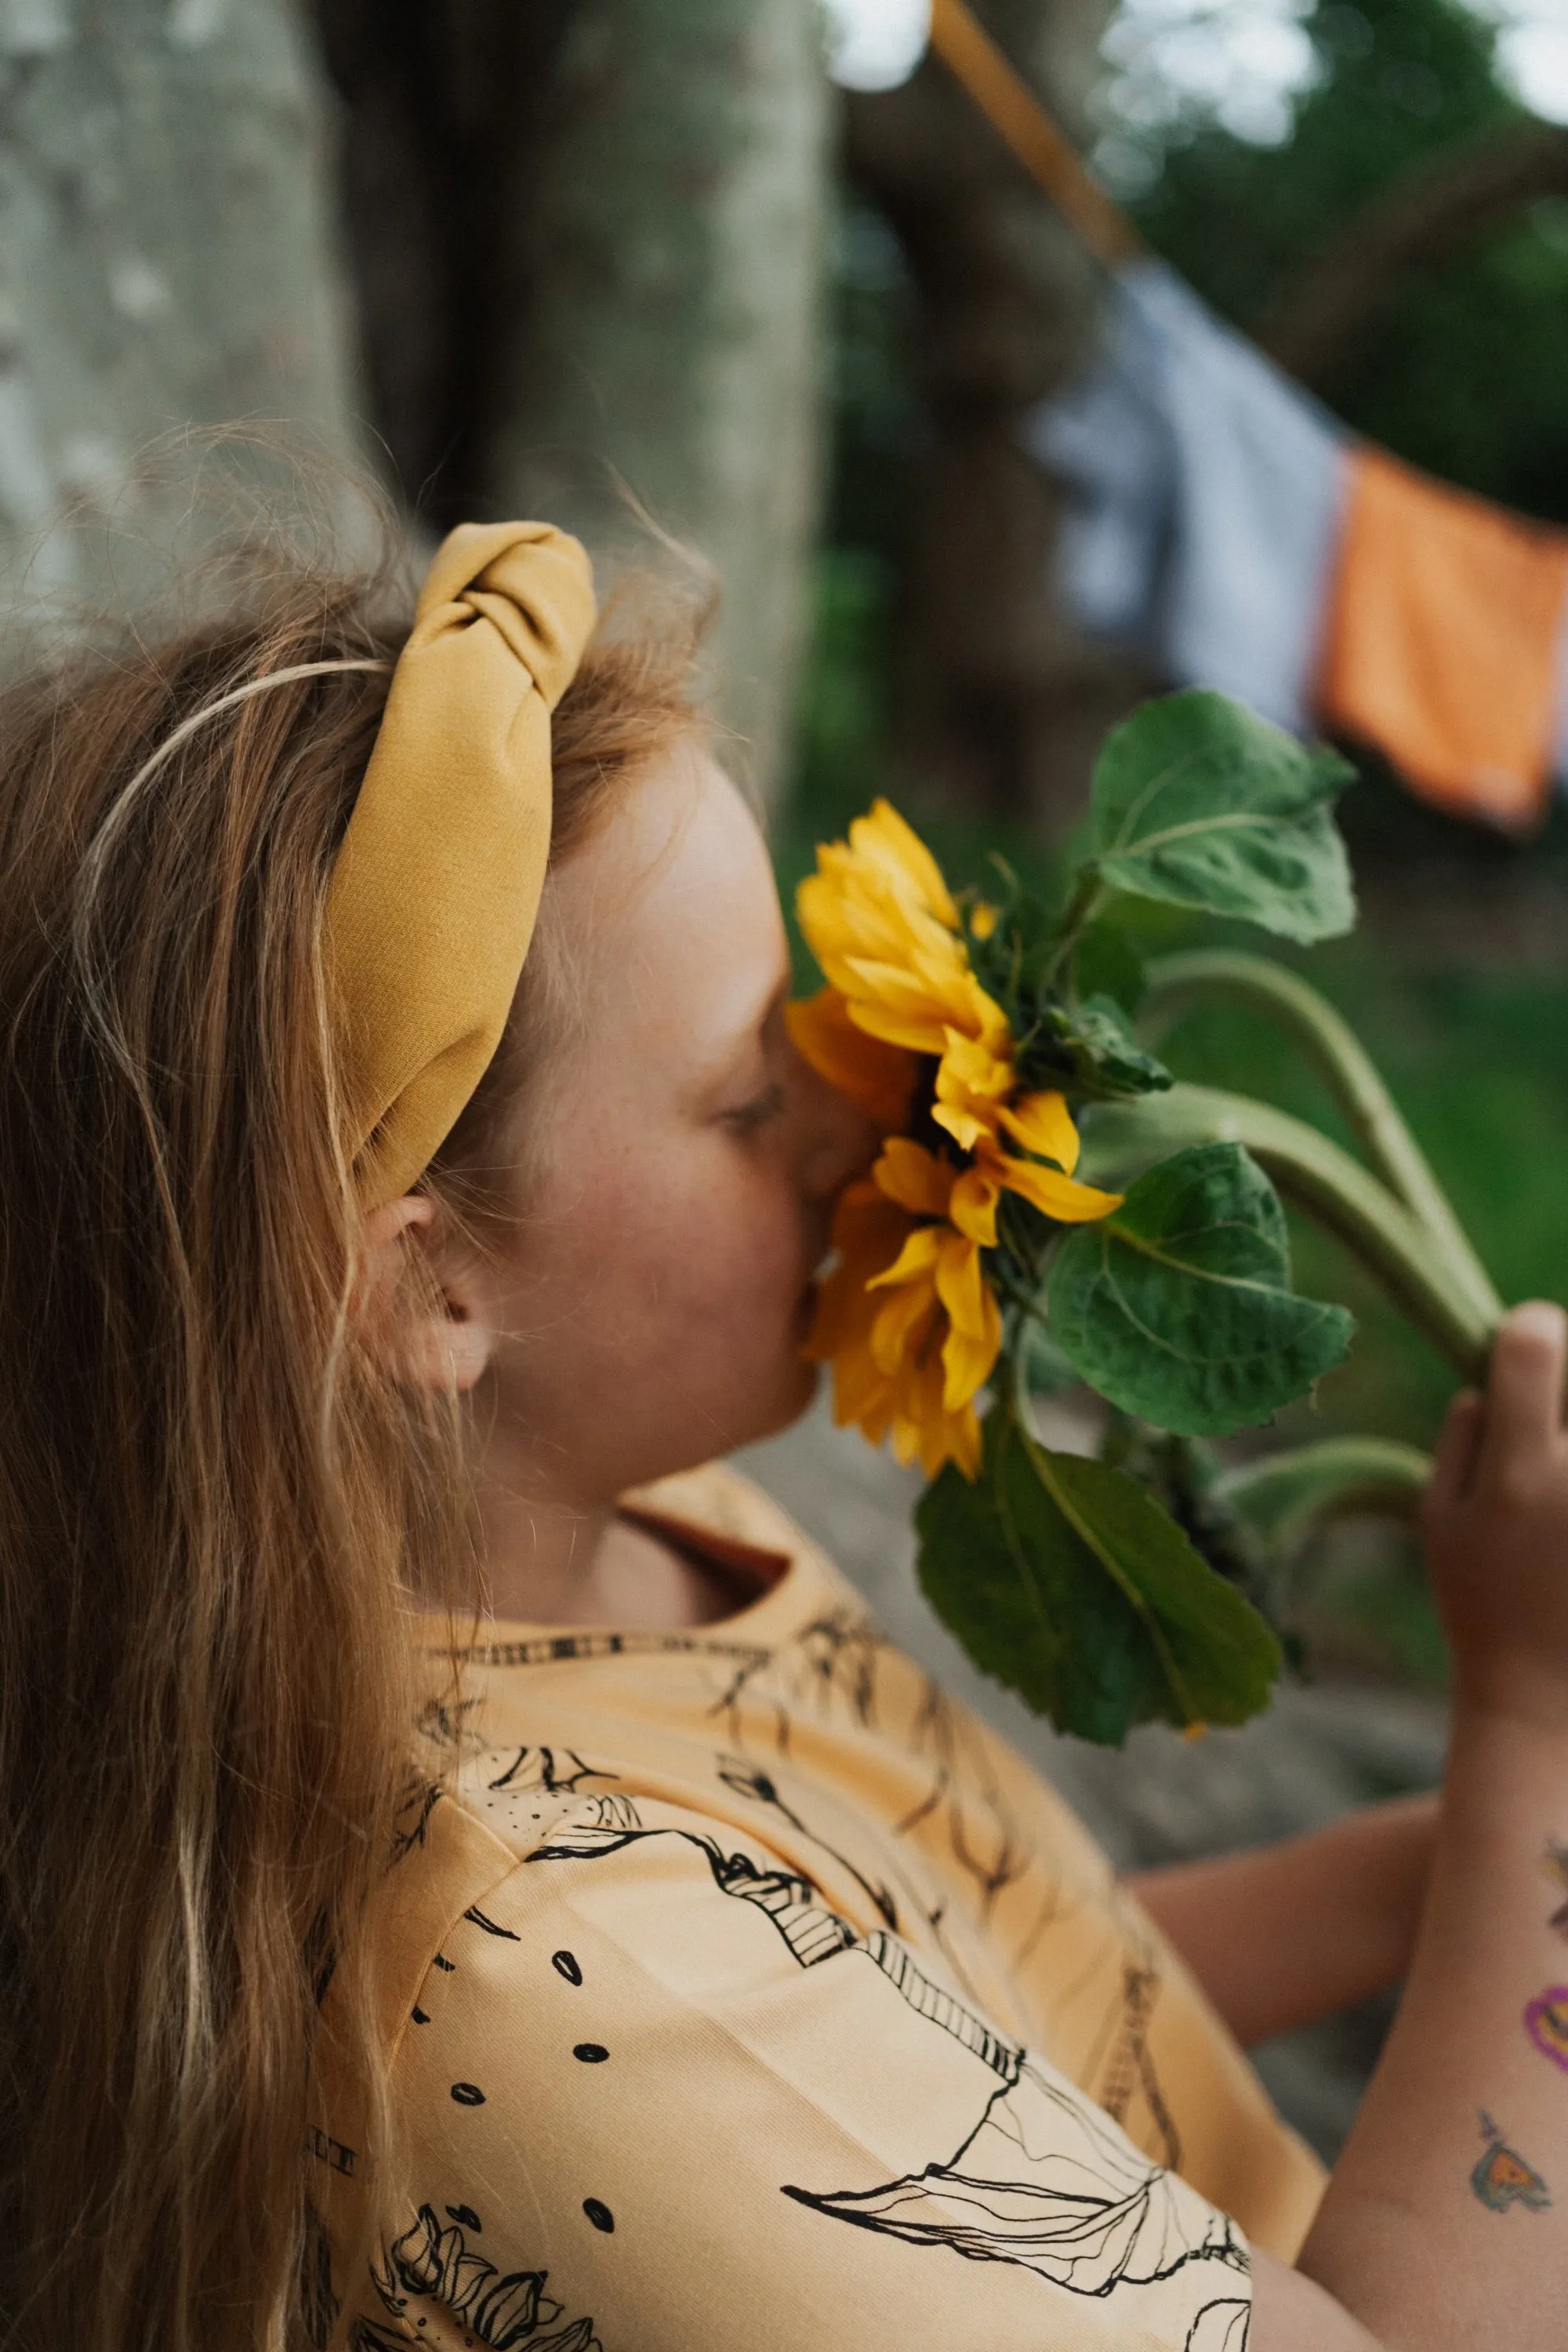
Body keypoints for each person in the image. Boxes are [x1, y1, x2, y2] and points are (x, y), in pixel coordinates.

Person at [1, 520, 1563, 2352]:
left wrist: (1455, 1861)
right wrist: (1533, 1724)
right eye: (750, 1094)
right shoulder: (548, 1974)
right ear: (428, 1295)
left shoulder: (619, 1522)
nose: (855, 1113)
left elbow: (973, 2030)